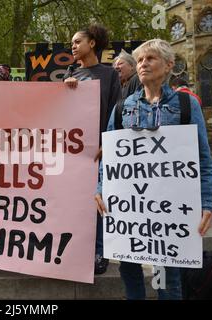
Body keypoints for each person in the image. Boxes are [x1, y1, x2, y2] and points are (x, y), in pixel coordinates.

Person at [95, 39, 212, 299]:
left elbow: (202, 159)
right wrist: (101, 187)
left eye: (150, 59)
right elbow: (108, 156)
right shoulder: (122, 108)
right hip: (130, 210)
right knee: (129, 269)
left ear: (169, 65)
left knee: (169, 278)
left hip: (169, 213)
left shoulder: (186, 105)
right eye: (139, 60)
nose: (143, 64)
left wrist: (206, 203)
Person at [64, 24, 122, 275]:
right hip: (75, 153)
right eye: (72, 43)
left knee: (99, 201)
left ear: (92, 43)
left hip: (100, 151)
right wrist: (65, 92)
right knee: (76, 201)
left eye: (77, 42)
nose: (73, 46)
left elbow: (115, 112)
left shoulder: (109, 76)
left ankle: (100, 251)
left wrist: (107, 144)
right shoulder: (71, 74)